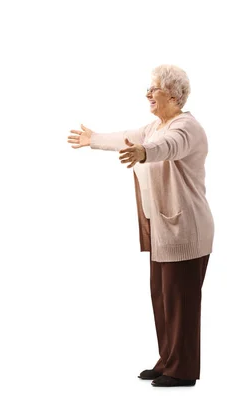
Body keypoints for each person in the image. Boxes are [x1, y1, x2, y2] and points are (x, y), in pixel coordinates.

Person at [67, 64, 214, 388]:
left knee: (181, 302)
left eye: (155, 88)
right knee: (163, 297)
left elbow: (168, 147)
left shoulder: (185, 127)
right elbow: (125, 137)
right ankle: (168, 360)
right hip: (165, 231)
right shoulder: (153, 128)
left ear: (174, 95)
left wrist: (145, 152)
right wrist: (93, 139)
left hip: (186, 231)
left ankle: (183, 369)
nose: (148, 93)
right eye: (149, 88)